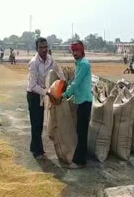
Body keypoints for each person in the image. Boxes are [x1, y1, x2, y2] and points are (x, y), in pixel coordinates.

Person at [27, 37, 65, 159]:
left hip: (42, 93)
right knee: (36, 123)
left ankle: (34, 147)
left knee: (39, 122)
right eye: (41, 48)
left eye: (45, 47)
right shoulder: (34, 63)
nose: (44, 50)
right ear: (37, 49)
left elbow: (57, 68)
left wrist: (63, 80)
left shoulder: (49, 59)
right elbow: (32, 86)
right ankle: (38, 152)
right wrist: (48, 93)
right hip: (33, 95)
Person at [61, 40, 92, 169]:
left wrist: (65, 95)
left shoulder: (84, 64)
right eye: (73, 51)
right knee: (81, 131)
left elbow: (77, 82)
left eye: (77, 50)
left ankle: (79, 162)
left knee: (82, 132)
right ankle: (82, 159)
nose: (74, 53)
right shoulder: (79, 63)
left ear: (82, 50)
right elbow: (75, 82)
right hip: (81, 100)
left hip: (85, 101)